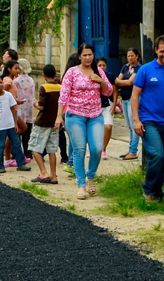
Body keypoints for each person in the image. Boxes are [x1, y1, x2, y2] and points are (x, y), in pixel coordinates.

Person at [55, 43, 112, 200]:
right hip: (75, 116)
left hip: (95, 115)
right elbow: (64, 95)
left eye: (90, 54)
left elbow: (108, 91)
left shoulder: (98, 71)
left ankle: (90, 176)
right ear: (79, 56)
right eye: (85, 55)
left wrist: (100, 81)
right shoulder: (72, 72)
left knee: (97, 149)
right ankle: (81, 185)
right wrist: (59, 116)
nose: (88, 58)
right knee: (79, 150)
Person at [132, 35, 164, 202]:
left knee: (163, 161)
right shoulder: (145, 70)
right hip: (148, 120)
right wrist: (136, 120)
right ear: (156, 50)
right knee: (157, 155)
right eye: (162, 51)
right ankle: (148, 189)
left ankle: (157, 192)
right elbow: (135, 95)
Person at [0, 76, 30, 173]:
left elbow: (13, 109)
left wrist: (15, 123)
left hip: (10, 125)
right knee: (1, 146)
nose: (0, 85)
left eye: (1, 82)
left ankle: (21, 164)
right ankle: (1, 166)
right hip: (0, 127)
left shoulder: (8, 95)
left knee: (16, 144)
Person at [28, 64, 61, 184]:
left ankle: (43, 173)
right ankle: (53, 175)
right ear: (55, 75)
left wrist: (35, 103)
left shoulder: (44, 87)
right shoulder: (60, 87)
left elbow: (41, 106)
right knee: (52, 149)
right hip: (54, 122)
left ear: (44, 75)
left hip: (42, 122)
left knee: (34, 148)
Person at [115, 48, 142, 160]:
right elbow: (118, 80)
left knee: (134, 125)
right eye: (128, 56)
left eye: (132, 55)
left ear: (136, 56)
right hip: (124, 99)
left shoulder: (138, 68)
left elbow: (130, 82)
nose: (130, 58)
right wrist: (121, 82)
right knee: (129, 127)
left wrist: (120, 82)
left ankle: (133, 151)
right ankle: (131, 148)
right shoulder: (125, 67)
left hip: (133, 100)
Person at [96, 57, 118, 160]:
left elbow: (114, 91)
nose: (102, 67)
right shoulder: (93, 76)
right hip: (96, 106)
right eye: (100, 65)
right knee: (96, 130)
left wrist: (114, 105)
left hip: (108, 105)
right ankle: (95, 149)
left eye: (104, 65)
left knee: (108, 127)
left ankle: (103, 149)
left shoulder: (110, 76)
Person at [16, 58, 36, 160]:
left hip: (20, 108)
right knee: (27, 132)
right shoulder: (31, 80)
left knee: (18, 131)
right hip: (29, 109)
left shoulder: (17, 80)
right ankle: (28, 152)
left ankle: (18, 152)